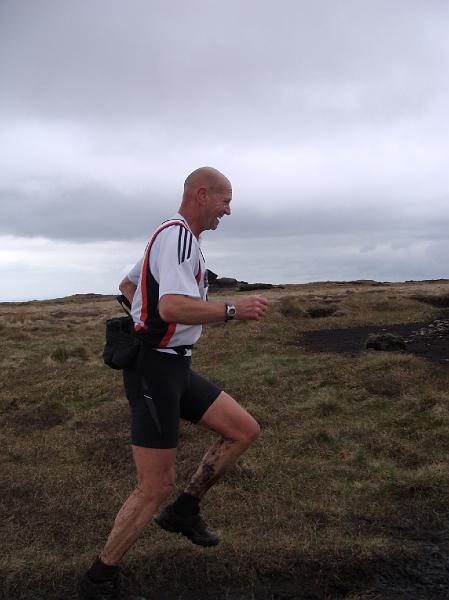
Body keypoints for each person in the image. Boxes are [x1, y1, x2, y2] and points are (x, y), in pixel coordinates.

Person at [79, 167, 268, 600]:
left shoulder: (179, 240)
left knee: (243, 430)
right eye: (225, 200)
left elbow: (128, 285)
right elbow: (171, 306)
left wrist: (141, 320)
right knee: (154, 486)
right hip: (155, 371)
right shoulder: (178, 236)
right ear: (202, 195)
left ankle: (185, 511)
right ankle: (99, 578)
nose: (229, 210)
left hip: (175, 368)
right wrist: (231, 310)